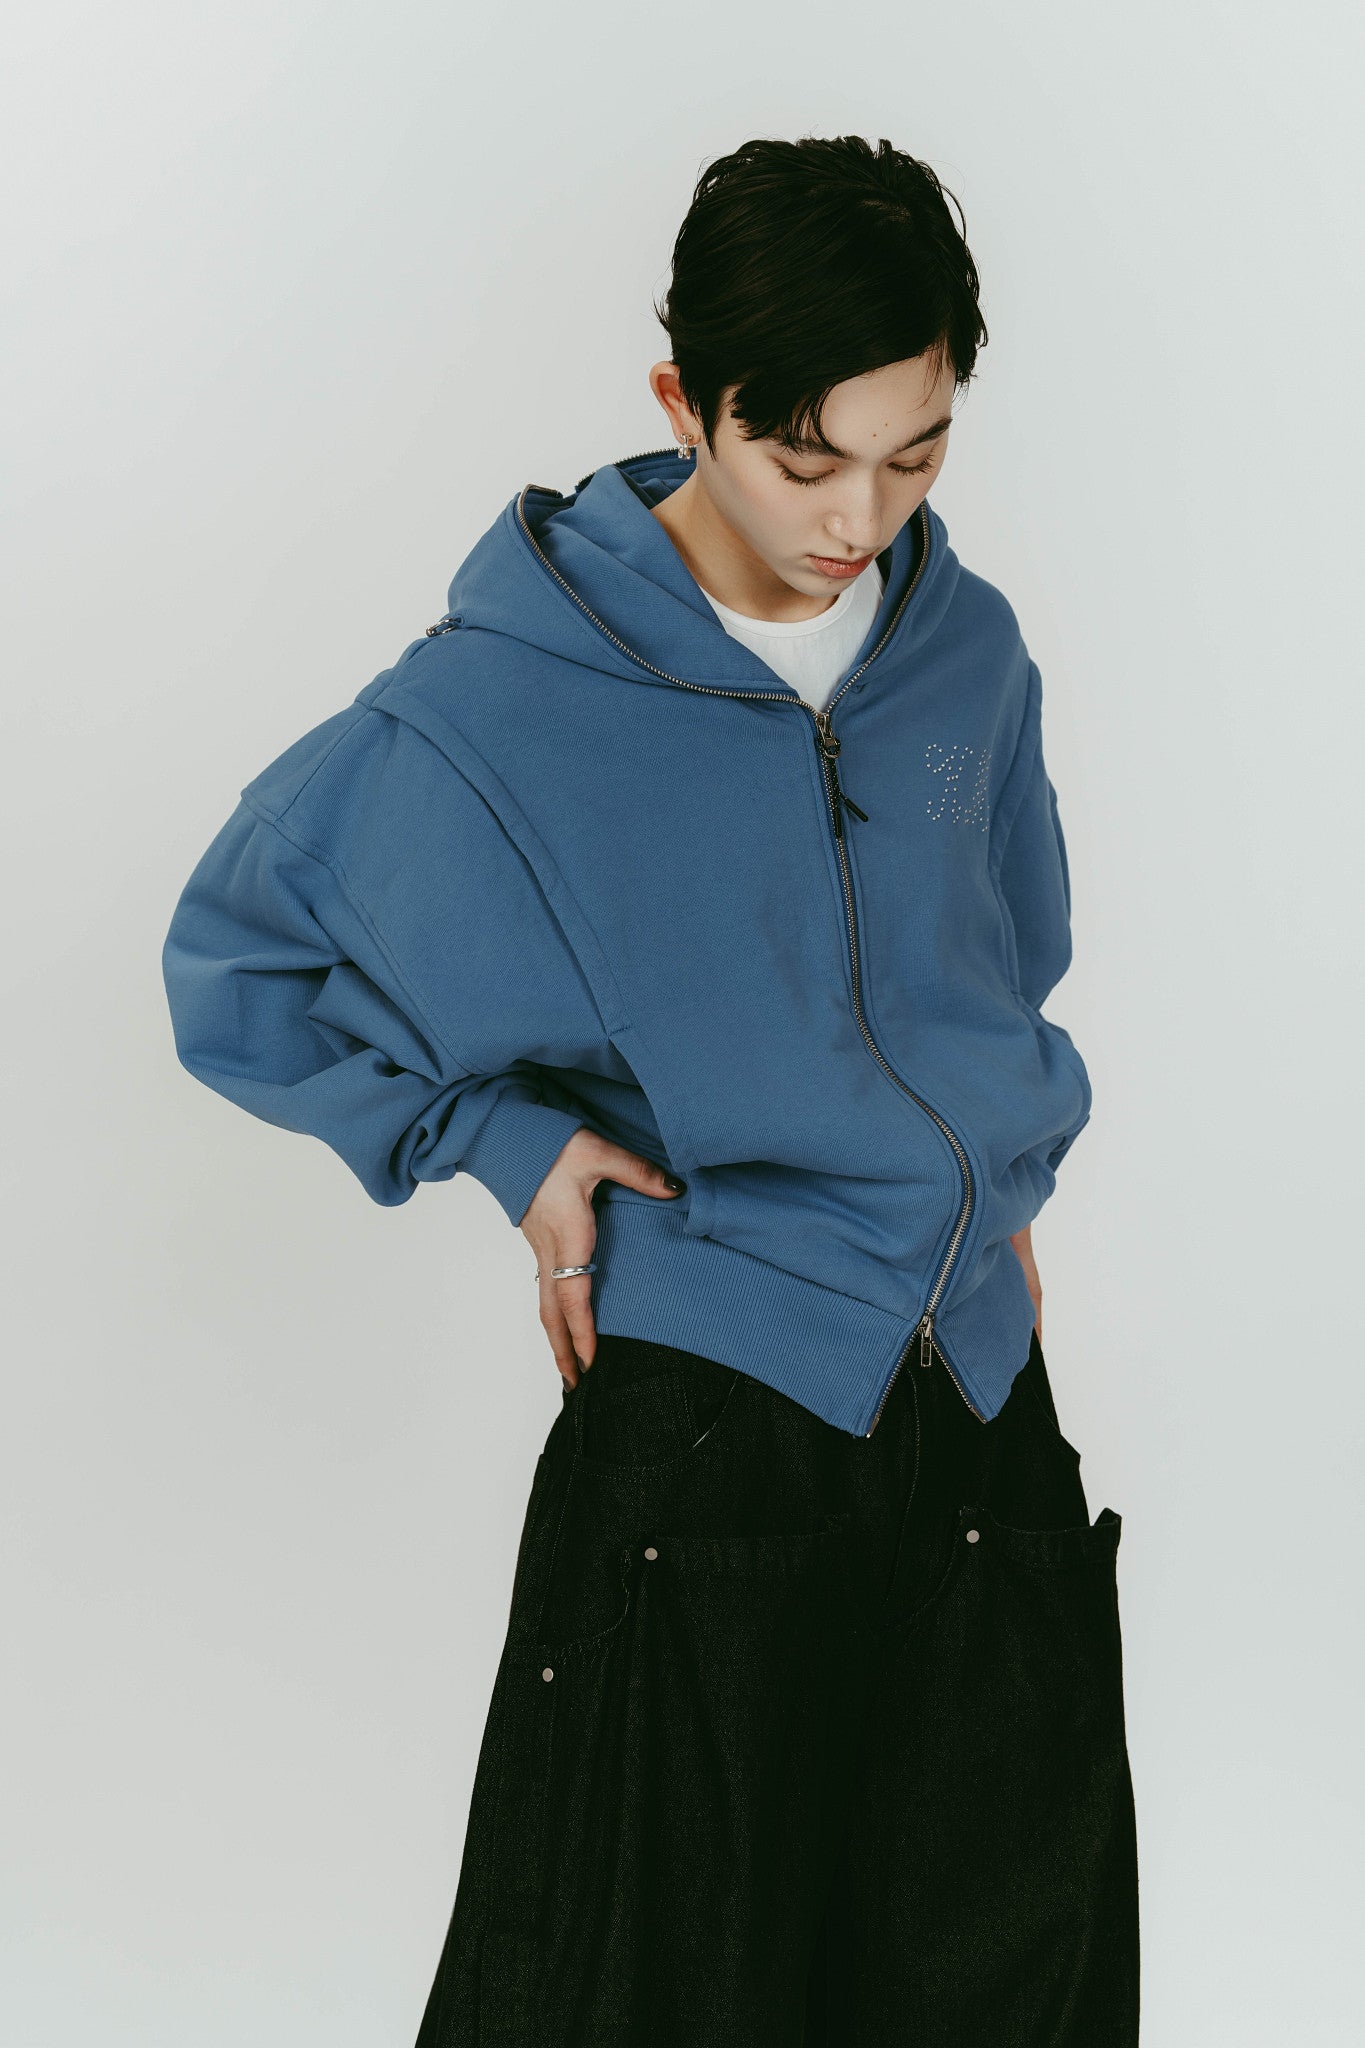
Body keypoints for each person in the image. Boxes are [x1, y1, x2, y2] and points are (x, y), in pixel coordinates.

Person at [161, 133, 1139, 2046]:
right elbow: (242, 961)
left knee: (1003, 1994)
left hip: (980, 1399)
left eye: (916, 453)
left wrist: (988, 1194)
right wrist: (504, 1143)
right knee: (642, 1999)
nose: (858, 516)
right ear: (685, 401)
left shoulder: (966, 653)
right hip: (711, 1421)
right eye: (803, 457)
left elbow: (1004, 950)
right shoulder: (500, 700)